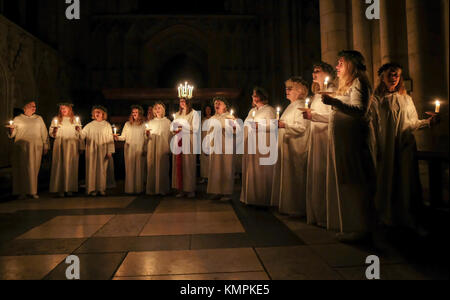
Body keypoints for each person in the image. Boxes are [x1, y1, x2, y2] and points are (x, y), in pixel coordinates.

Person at [373, 63, 439, 230]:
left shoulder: (406, 99)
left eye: (397, 75)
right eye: (391, 74)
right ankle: (386, 217)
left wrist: (428, 122)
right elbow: (372, 125)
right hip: (385, 147)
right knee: (386, 179)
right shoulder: (375, 100)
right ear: (382, 76)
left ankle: (408, 218)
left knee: (406, 180)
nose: (394, 78)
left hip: (404, 146)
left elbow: (413, 123)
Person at [321, 50, 376, 242]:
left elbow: (360, 110)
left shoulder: (360, 83)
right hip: (345, 143)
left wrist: (334, 102)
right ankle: (352, 225)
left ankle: (362, 229)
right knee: (348, 182)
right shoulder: (347, 85)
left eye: (341, 63)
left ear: (351, 65)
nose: (337, 66)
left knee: (357, 182)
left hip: (354, 142)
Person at [303, 63, 337, 227]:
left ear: (328, 74)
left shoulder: (332, 92)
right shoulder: (317, 94)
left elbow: (333, 116)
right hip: (316, 137)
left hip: (325, 138)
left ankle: (327, 215)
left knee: (324, 173)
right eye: (313, 71)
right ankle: (317, 213)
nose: (313, 74)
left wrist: (313, 116)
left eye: (318, 71)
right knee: (316, 174)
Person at [271, 77, 310, 216]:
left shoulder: (300, 106)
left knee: (295, 179)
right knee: (288, 179)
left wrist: (283, 125)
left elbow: (302, 127)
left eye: (290, 88)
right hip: (287, 147)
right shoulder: (291, 106)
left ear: (300, 91)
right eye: (286, 88)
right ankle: (288, 206)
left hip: (296, 148)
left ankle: (296, 208)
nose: (286, 91)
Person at [241, 87, 277, 207]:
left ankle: (262, 199)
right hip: (251, 146)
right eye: (253, 95)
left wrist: (259, 127)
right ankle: (251, 197)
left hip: (263, 146)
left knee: (261, 172)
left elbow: (274, 126)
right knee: (252, 171)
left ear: (261, 96)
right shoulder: (252, 111)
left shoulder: (269, 110)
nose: (253, 97)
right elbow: (246, 124)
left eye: (255, 95)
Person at [7, 100, 49, 199]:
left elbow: (44, 133)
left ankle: (32, 191)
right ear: (25, 108)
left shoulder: (39, 118)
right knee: (22, 169)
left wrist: (46, 145)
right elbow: (12, 135)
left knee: (34, 169)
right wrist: (11, 130)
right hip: (22, 148)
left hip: (36, 147)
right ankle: (21, 192)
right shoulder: (18, 119)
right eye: (31, 106)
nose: (34, 108)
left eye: (34, 106)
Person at [79, 106, 115, 196]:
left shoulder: (106, 125)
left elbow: (110, 138)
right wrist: (78, 131)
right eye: (95, 112)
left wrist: (110, 150)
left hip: (103, 150)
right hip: (91, 150)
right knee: (91, 169)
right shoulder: (90, 125)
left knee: (102, 169)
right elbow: (82, 136)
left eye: (99, 112)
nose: (97, 114)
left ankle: (101, 188)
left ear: (103, 114)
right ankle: (91, 189)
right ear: (93, 114)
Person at [206, 97, 237, 201]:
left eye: (219, 102)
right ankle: (217, 191)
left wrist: (233, 126)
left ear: (225, 106)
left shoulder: (230, 116)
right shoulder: (212, 119)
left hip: (226, 147)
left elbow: (236, 130)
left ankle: (226, 193)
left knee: (226, 168)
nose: (217, 104)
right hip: (214, 147)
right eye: (215, 103)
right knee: (215, 170)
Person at [49, 103, 82, 197]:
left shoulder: (75, 120)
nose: (63, 110)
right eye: (61, 109)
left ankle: (69, 188)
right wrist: (54, 131)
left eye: (65, 108)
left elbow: (80, 135)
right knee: (60, 165)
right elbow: (51, 134)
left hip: (72, 146)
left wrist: (81, 146)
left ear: (69, 109)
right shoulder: (56, 120)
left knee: (70, 165)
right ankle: (60, 189)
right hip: (60, 145)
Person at [114, 105, 146, 195]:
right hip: (129, 148)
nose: (134, 114)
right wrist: (117, 137)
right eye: (133, 112)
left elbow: (146, 137)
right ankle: (130, 189)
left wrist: (145, 148)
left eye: (136, 112)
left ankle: (139, 189)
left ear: (140, 114)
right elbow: (123, 137)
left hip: (139, 148)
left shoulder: (143, 124)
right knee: (130, 168)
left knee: (139, 168)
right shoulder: (127, 124)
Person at [172, 98, 199, 198]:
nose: (182, 103)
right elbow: (173, 127)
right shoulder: (177, 114)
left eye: (184, 101)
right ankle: (181, 189)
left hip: (188, 141)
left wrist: (183, 127)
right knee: (179, 165)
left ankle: (190, 189)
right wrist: (174, 129)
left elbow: (195, 128)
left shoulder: (194, 113)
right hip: (178, 141)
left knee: (188, 165)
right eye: (180, 101)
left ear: (188, 102)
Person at [146, 103, 172, 196]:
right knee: (152, 167)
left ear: (163, 110)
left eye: (159, 108)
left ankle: (162, 189)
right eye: (156, 108)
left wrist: (169, 148)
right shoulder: (151, 122)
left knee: (163, 168)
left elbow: (170, 136)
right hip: (152, 147)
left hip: (163, 147)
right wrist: (147, 135)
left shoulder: (167, 122)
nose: (157, 110)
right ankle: (152, 189)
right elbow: (146, 137)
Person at [200, 105, 213, 184]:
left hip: (211, 141)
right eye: (206, 109)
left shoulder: (213, 119)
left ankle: (211, 176)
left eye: (209, 109)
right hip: (204, 141)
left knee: (210, 160)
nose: (208, 111)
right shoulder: (203, 120)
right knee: (204, 160)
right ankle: (204, 177)